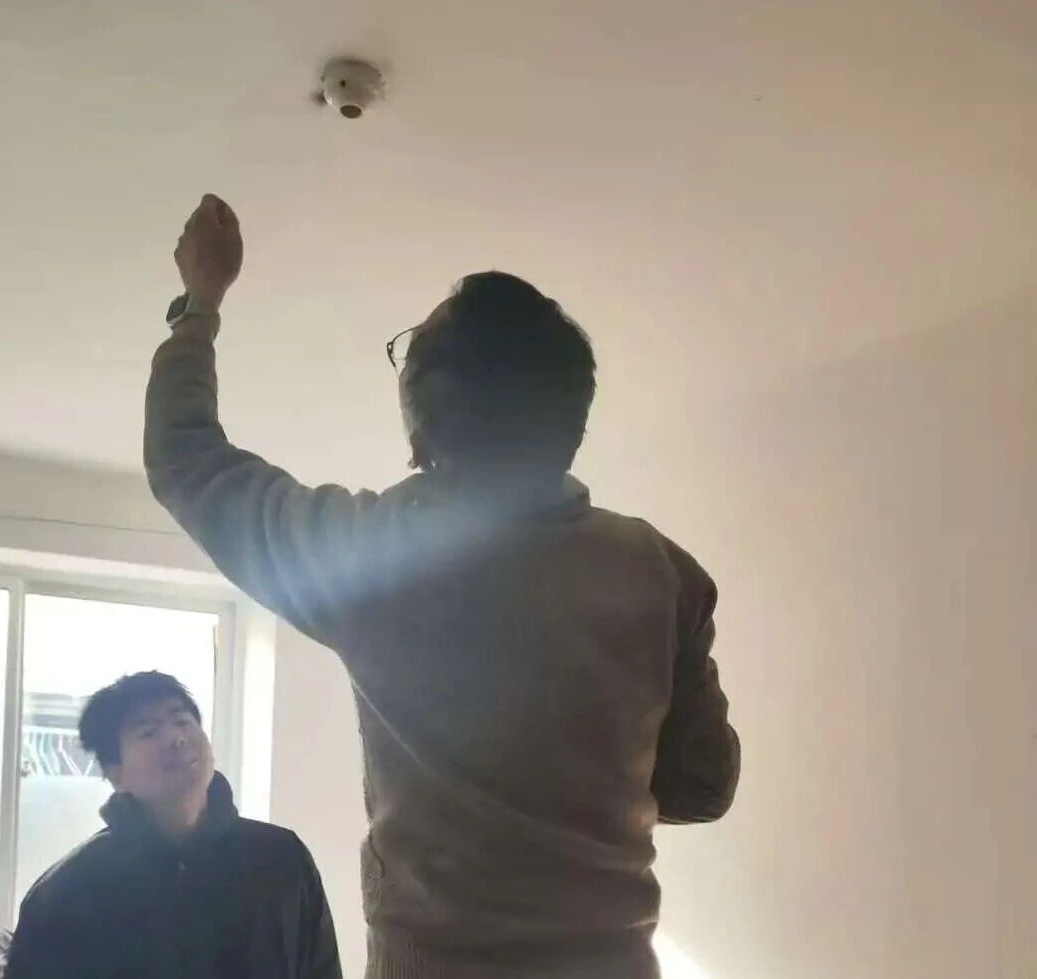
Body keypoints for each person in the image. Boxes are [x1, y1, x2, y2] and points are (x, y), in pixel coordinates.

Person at [145, 195, 740, 979]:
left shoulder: (373, 556)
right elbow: (701, 784)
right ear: (571, 423)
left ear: (421, 429)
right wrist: (579, 778)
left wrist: (200, 304)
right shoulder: (660, 571)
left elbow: (186, 461)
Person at [6, 671, 342, 979]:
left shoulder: (281, 859)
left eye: (182, 721)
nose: (176, 738)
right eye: (148, 732)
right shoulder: (64, 894)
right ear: (116, 774)